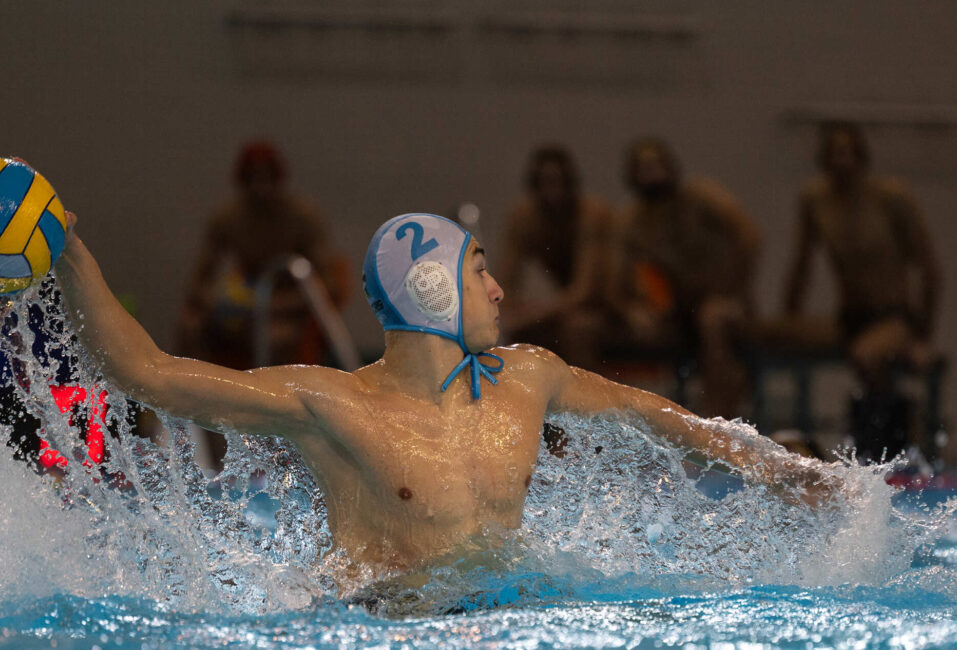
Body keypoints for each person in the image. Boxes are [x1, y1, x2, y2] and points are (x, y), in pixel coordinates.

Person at [56, 210, 832, 583]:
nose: (499, 290)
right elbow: (148, 374)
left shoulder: (527, 379)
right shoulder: (333, 407)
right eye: (479, 273)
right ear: (429, 287)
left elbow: (653, 413)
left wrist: (773, 467)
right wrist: (71, 251)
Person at [783, 122, 941, 459]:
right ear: (824, 159)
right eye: (834, 153)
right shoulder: (815, 200)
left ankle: (886, 447)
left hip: (894, 316)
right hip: (849, 317)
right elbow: (801, 266)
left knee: (867, 355)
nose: (841, 161)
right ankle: (791, 444)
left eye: (847, 153)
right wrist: (789, 320)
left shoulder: (891, 198)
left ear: (861, 157)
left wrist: (923, 336)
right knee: (759, 335)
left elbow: (929, 270)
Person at [606, 137, 761, 418]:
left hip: (725, 300)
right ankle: (634, 419)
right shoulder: (632, 221)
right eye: (643, 169)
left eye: (656, 166)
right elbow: (617, 277)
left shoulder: (702, 197)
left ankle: (720, 414)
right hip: (679, 308)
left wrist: (733, 287)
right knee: (642, 328)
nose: (652, 175)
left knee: (712, 319)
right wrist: (633, 309)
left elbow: (749, 236)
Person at [176, 140, 346, 370]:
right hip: (242, 306)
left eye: (266, 177)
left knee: (272, 339)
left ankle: (272, 400)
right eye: (252, 178)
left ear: (278, 178)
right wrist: (214, 301)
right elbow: (200, 277)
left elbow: (329, 284)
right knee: (191, 326)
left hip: (286, 309)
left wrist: (275, 304)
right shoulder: (228, 218)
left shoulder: (302, 217)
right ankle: (198, 397)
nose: (260, 187)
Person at [496, 146, 614, 368]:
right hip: (568, 305)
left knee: (577, 327)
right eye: (544, 182)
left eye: (559, 182)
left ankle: (588, 400)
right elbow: (504, 281)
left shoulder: (592, 215)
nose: (553, 191)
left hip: (608, 304)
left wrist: (536, 312)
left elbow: (586, 289)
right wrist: (511, 308)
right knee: (511, 328)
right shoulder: (524, 217)